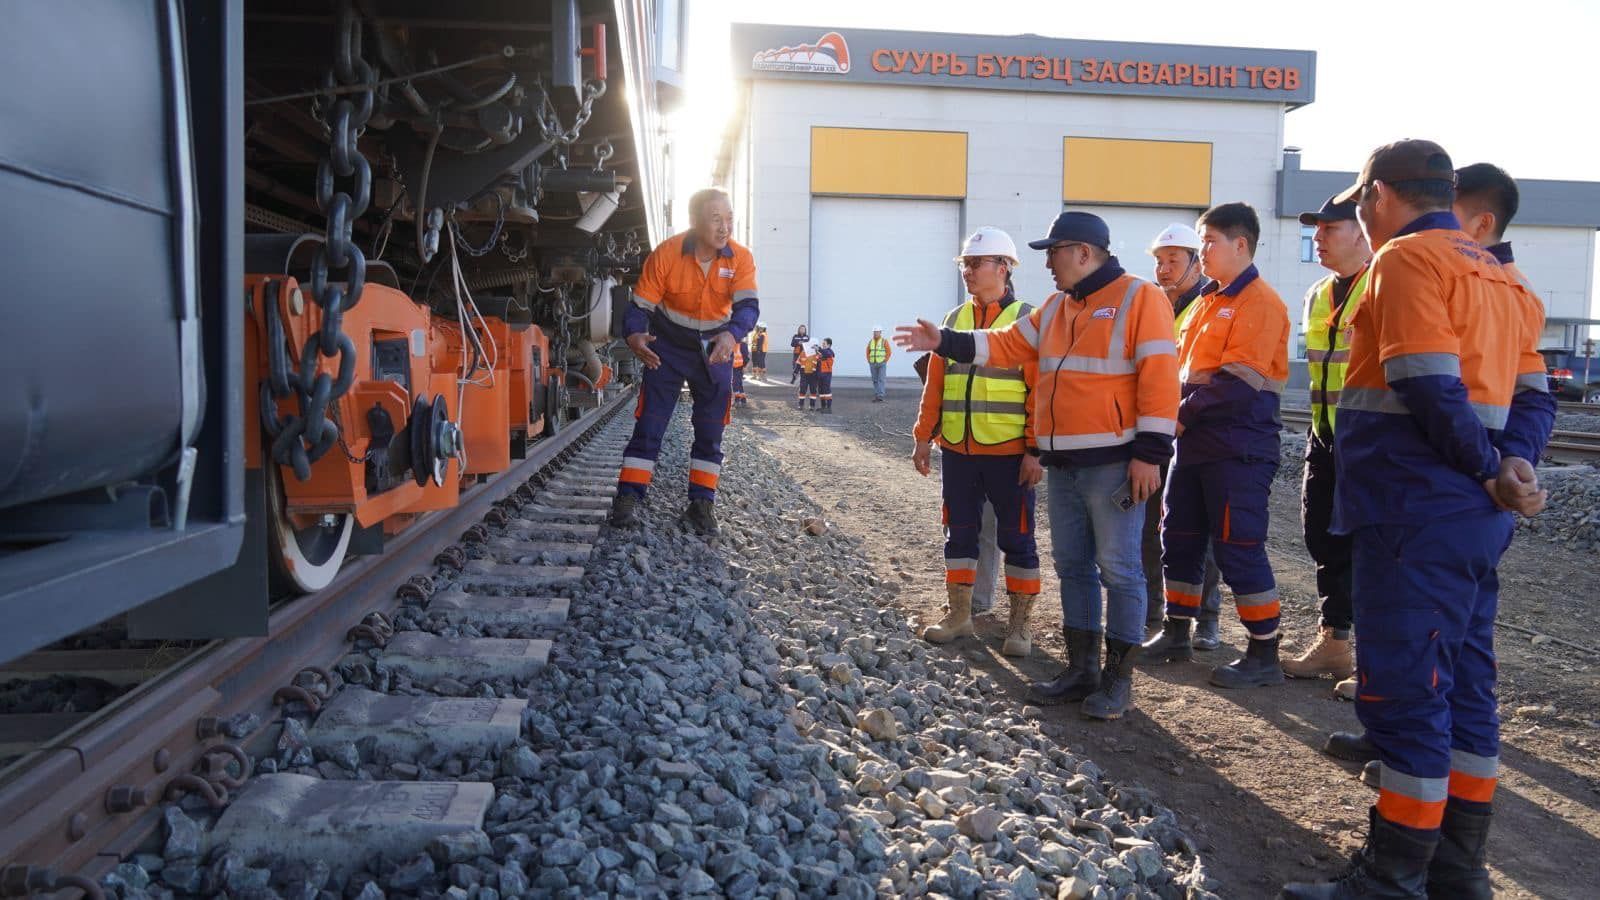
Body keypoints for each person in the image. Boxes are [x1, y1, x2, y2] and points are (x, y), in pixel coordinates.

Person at [1282, 141, 1554, 900]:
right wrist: (1512, 466)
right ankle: (1457, 870)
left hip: (1413, 511)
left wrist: (1486, 467)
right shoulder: (1504, 276)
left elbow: (1425, 383)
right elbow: (1534, 396)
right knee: (1465, 684)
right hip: (1470, 519)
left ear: (1378, 196)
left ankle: (1392, 877)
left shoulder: (1404, 263)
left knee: (1407, 694)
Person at [899, 212, 1179, 720]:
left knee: (1119, 571)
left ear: (1084, 253)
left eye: (1053, 252)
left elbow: (1161, 379)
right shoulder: (1057, 307)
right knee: (1073, 567)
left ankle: (1118, 680)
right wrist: (944, 341)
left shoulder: (1141, 299)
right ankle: (1082, 671)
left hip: (1116, 464)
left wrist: (1151, 456)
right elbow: (1005, 345)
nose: (1046, 262)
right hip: (1066, 465)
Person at [1142, 202, 1291, 689]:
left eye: (1208, 242)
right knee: (1178, 538)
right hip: (1195, 445)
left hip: (1237, 449)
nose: (1201, 251)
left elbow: (1237, 385)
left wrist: (1175, 418)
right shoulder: (1208, 301)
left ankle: (1263, 651)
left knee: (1239, 547)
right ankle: (1177, 632)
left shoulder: (1260, 303)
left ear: (1240, 244)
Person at [910, 226, 1043, 659]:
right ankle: (960, 614)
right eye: (965, 264)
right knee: (959, 534)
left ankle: (1020, 624)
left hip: (1009, 454)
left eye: (975, 263)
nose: (967, 271)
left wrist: (1035, 450)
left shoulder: (1027, 319)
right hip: (959, 451)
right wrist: (923, 437)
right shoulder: (952, 320)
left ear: (1004, 267)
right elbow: (935, 384)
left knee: (1018, 538)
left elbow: (1041, 390)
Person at [610, 188, 758, 537]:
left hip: (715, 350)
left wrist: (732, 335)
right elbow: (639, 307)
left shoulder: (741, 258)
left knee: (711, 430)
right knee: (650, 423)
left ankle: (701, 503)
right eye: (716, 218)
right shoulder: (667, 254)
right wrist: (634, 335)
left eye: (729, 218)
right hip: (668, 348)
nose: (725, 227)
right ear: (695, 222)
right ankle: (629, 497)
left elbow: (748, 308)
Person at [1282, 195, 1372, 699]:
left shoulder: (1385, 284)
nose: (1317, 238)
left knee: (1372, 551)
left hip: (1373, 442)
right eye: (1315, 229)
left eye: (1327, 229)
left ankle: (1376, 661)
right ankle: (1335, 641)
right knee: (1322, 538)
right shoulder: (1319, 293)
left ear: (1361, 232)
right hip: (1327, 436)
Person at [1143, 224, 1224, 650]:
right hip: (1151, 431)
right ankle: (1153, 612)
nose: (1164, 267)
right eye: (1159, 260)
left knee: (1200, 529)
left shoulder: (1210, 305)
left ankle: (1206, 619)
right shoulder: (1151, 305)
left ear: (1196, 262)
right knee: (1150, 524)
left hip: (1194, 432)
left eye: (1173, 259)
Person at [867, 326, 893, 401]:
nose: (875, 333)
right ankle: (877, 395)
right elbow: (867, 351)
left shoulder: (884, 341)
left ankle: (880, 395)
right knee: (875, 380)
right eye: (874, 332)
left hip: (882, 363)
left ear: (880, 332)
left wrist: (885, 360)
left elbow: (889, 351)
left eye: (877, 332)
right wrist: (869, 360)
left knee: (881, 379)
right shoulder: (870, 341)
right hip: (873, 363)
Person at [796, 344, 820, 409]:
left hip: (814, 376)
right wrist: (795, 372)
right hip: (804, 375)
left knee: (813, 390)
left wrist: (819, 375)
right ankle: (801, 405)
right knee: (802, 390)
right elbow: (798, 363)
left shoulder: (818, 354)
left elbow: (820, 365)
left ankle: (812, 406)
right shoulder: (803, 353)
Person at [817, 338, 836, 412]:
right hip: (820, 374)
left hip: (827, 374)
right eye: (822, 343)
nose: (822, 345)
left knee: (826, 390)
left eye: (824, 343)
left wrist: (819, 349)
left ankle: (829, 408)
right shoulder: (822, 352)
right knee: (821, 390)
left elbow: (827, 353)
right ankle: (823, 407)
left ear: (829, 345)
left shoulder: (830, 352)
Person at [731, 336, 750, 407]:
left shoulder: (742, 345)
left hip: (739, 367)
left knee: (735, 383)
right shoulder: (733, 344)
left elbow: (746, 357)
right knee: (738, 383)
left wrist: (745, 367)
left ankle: (737, 400)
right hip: (734, 367)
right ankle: (743, 400)